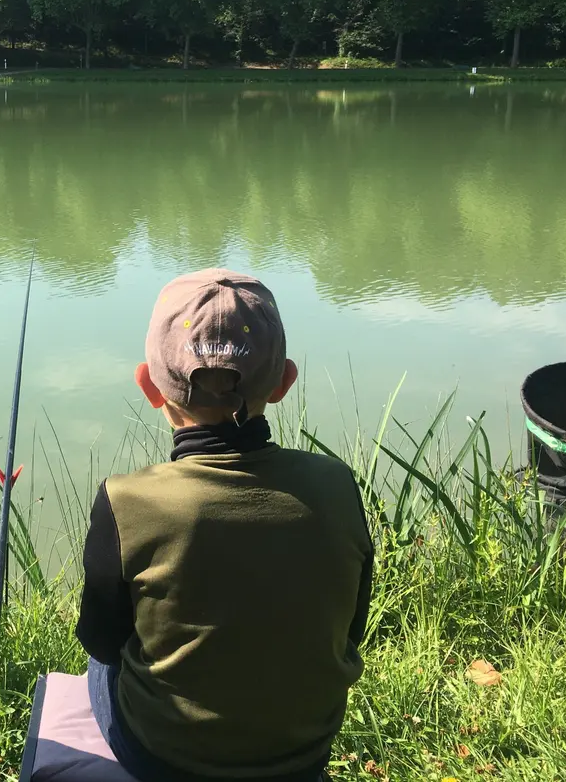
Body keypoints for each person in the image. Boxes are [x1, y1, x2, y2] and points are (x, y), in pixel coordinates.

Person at [75, 268, 373, 782]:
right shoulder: (337, 484)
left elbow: (102, 641)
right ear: (284, 383)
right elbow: (353, 628)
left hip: (164, 759)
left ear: (148, 384)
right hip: (303, 755)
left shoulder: (126, 501)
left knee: (101, 667)